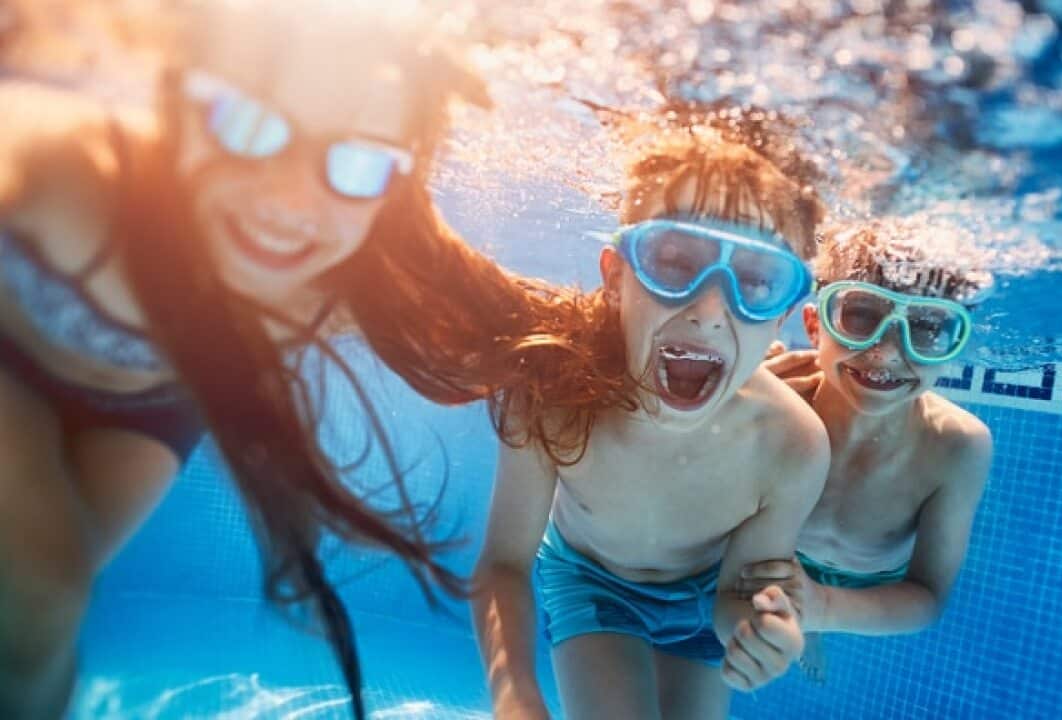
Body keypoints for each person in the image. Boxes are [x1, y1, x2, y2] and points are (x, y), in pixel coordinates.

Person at [0, 2, 491, 716]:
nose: (293, 199)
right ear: (176, 98)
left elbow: (518, 325)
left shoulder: (349, 279)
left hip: (153, 406)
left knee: (36, 623)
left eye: (357, 160)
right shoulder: (65, 168)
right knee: (36, 591)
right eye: (248, 123)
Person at [468, 125, 832, 720]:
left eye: (757, 280)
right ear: (616, 278)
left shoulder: (791, 445)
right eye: (674, 261)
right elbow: (504, 563)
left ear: (782, 316)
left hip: (705, 595)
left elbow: (736, 599)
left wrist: (767, 628)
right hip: (592, 583)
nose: (710, 309)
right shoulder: (553, 395)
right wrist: (515, 697)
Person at [740, 221, 994, 679]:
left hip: (871, 581)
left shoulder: (957, 445)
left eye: (925, 328)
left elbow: (926, 595)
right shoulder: (777, 401)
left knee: (812, 611)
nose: (887, 353)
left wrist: (824, 607)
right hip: (780, 557)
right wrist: (737, 399)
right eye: (861, 316)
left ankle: (812, 623)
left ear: (951, 350)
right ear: (815, 325)